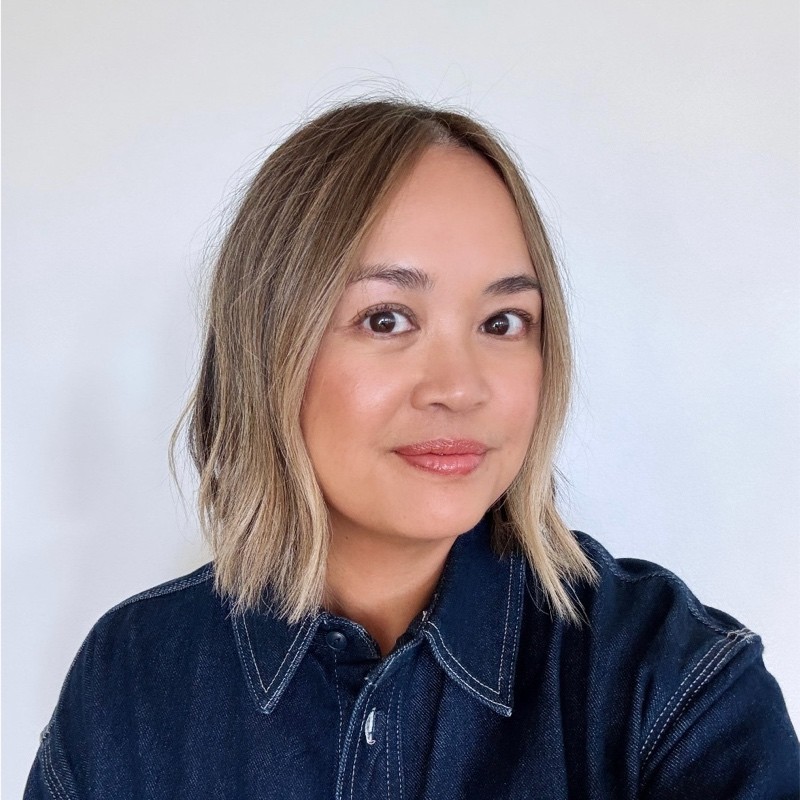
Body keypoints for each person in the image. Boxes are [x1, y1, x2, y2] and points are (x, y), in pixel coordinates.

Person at [25, 98, 798, 799]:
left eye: (502, 322)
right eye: (387, 318)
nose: (459, 388)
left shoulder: (672, 686)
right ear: (268, 348)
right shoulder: (133, 679)